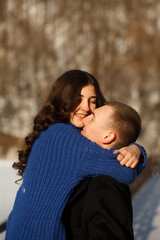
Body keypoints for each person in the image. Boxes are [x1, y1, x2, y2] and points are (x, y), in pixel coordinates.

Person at [5, 70, 146, 240]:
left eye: (92, 101)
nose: (86, 108)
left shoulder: (56, 132)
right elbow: (125, 171)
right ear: (63, 100)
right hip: (38, 233)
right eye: (77, 99)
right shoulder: (63, 137)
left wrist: (134, 148)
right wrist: (136, 150)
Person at [63, 101, 144, 239]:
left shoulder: (106, 183)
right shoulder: (94, 170)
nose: (85, 119)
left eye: (92, 118)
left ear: (108, 136)